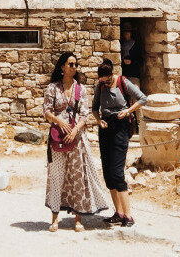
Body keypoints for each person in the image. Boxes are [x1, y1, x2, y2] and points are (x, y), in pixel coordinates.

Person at [42, 51, 108, 231]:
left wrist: (76, 130)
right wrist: (59, 121)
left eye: (75, 64)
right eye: (70, 64)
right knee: (56, 176)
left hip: (77, 138)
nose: (74, 67)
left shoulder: (81, 90)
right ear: (62, 66)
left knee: (78, 177)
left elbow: (85, 114)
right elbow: (47, 111)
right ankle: (54, 218)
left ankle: (78, 218)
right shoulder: (53, 88)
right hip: (58, 137)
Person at [92, 58, 146, 227]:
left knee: (117, 172)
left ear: (112, 75)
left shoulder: (123, 82)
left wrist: (128, 111)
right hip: (106, 127)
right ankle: (118, 212)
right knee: (108, 174)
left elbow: (143, 98)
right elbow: (95, 108)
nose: (105, 83)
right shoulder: (100, 86)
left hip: (121, 127)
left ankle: (128, 215)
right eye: (102, 80)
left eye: (107, 80)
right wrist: (98, 120)